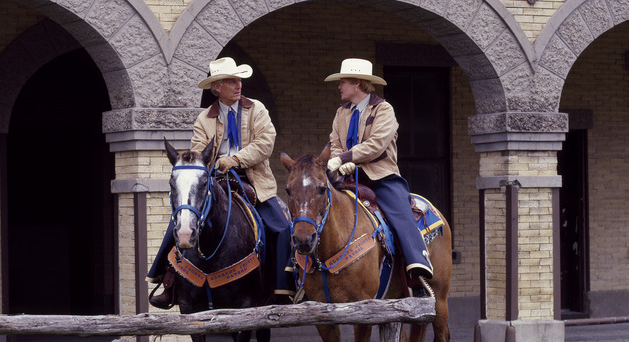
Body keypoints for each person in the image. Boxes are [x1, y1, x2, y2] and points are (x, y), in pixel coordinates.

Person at [147, 57, 295, 308]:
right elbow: (197, 152)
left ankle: (282, 287)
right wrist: (210, 164)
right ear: (217, 87)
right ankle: (167, 281)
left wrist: (235, 159)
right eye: (231, 81)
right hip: (215, 180)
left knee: (281, 228)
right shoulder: (203, 119)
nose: (238, 85)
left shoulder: (257, 109)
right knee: (182, 222)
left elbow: (265, 143)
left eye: (239, 80)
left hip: (255, 180)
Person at [324, 58, 434, 287]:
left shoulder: (384, 109)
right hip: (346, 176)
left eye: (343, 82)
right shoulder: (341, 112)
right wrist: (338, 159)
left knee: (400, 214)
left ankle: (418, 268)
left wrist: (346, 158)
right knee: (315, 206)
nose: (339, 86)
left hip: (379, 176)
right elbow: (334, 141)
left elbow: (376, 144)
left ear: (358, 84)